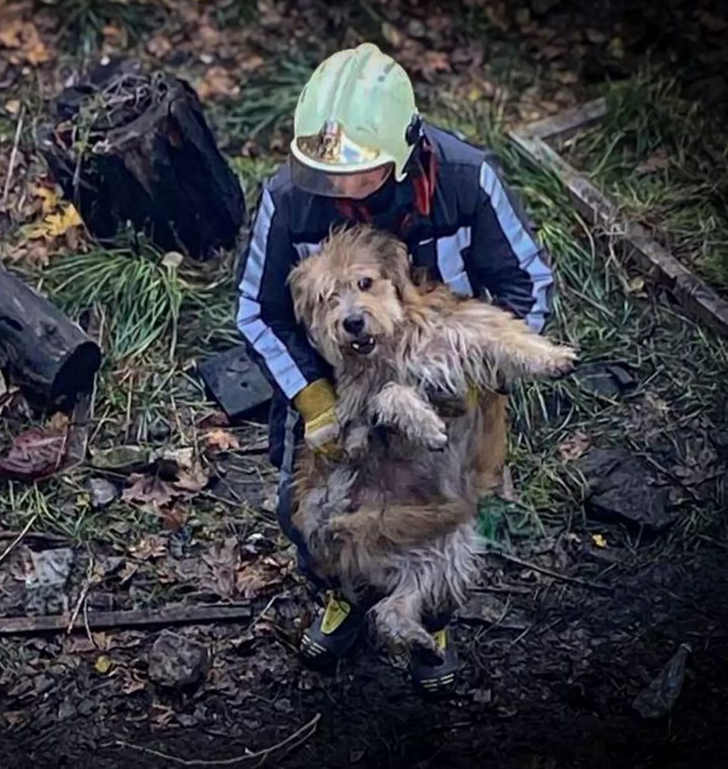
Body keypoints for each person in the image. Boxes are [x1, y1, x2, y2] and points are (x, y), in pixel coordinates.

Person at [235, 44, 554, 693]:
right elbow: (255, 311)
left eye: (359, 174)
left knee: (449, 514)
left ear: (403, 149)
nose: (339, 188)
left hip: (454, 389)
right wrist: (315, 403)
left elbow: (529, 284)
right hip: (339, 390)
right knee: (312, 514)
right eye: (326, 172)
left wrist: (479, 369)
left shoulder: (466, 178)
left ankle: (429, 620)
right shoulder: (289, 197)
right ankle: (344, 596)